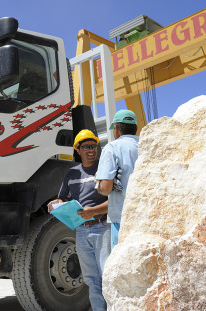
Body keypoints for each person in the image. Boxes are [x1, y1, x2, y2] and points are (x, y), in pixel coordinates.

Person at [48, 129, 110, 311]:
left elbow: (115, 200)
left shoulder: (104, 169)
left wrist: (94, 211)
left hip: (102, 228)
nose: (91, 150)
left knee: (107, 275)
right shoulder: (71, 174)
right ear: (78, 149)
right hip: (82, 231)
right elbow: (63, 199)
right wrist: (57, 203)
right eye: (86, 147)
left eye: (94, 146)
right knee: (91, 279)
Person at [96, 110, 139, 249]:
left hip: (122, 218)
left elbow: (106, 188)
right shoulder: (145, 145)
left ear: (116, 129)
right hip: (146, 217)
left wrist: (98, 184)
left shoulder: (112, 148)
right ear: (135, 128)